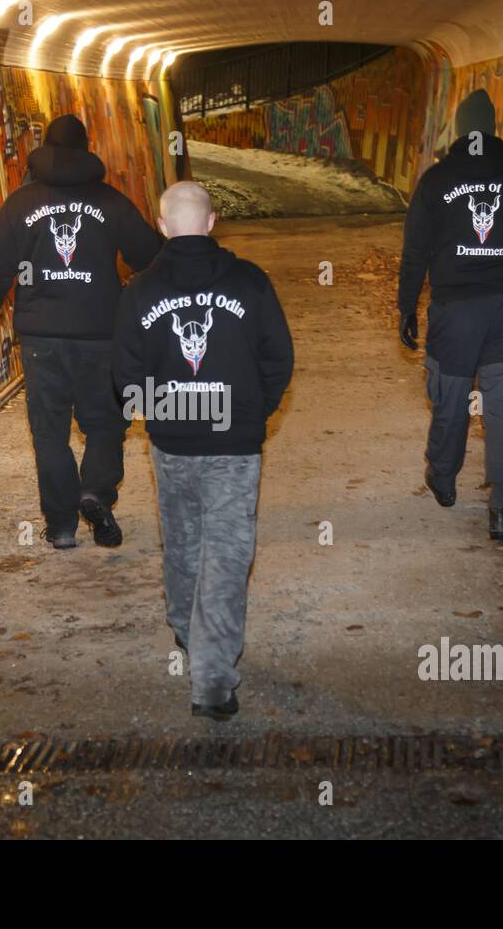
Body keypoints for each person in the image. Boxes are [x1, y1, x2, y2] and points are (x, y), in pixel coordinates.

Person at [114, 181, 293, 721]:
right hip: (234, 444)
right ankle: (213, 676)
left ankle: (188, 634)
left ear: (163, 226)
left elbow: (124, 376)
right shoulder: (251, 283)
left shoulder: (138, 292)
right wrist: (249, 414)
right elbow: (278, 359)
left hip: (172, 445)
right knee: (227, 550)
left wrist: (161, 417)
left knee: (185, 541)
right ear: (213, 222)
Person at [0, 114, 162, 549]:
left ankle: (61, 526)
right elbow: (149, 254)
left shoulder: (21, 204)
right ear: (86, 148)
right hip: (101, 333)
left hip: (42, 339)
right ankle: (95, 490)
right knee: (105, 423)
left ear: (44, 148)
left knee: (49, 431)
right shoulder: (110, 202)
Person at [397, 89, 503, 540]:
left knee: (450, 399)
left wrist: (407, 306)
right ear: (491, 129)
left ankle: (443, 480)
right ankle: (502, 507)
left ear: (460, 128)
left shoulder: (435, 181)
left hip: (454, 314)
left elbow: (415, 253)